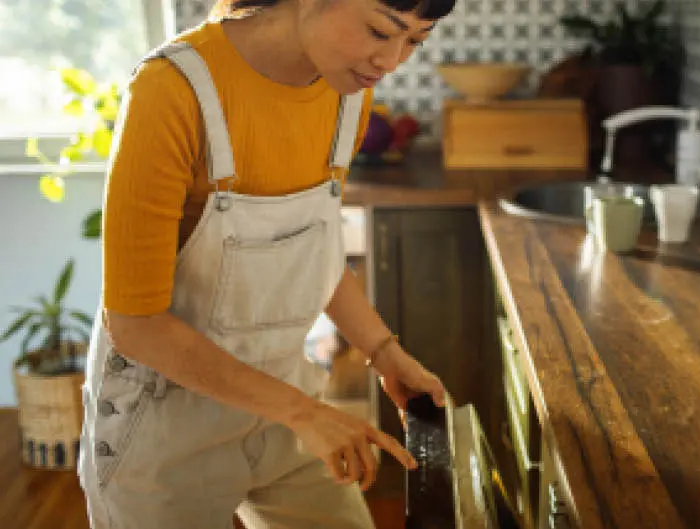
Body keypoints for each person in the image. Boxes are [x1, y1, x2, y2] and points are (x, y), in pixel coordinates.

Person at [76, 0, 455, 527]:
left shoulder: (347, 94)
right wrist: (304, 413)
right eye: (378, 30)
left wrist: (383, 351)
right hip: (162, 429)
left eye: (414, 40)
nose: (391, 60)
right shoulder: (171, 90)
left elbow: (310, 255)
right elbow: (137, 326)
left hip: (283, 405)